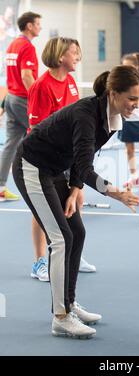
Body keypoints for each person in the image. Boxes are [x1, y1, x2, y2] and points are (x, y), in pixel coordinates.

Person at [12, 65, 139, 339]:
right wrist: (116, 193)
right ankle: (60, 317)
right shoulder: (86, 115)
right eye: (132, 98)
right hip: (32, 165)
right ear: (113, 93)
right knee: (61, 239)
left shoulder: (112, 119)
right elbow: (84, 166)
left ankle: (69, 304)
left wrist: (74, 191)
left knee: (77, 233)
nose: (137, 104)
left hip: (56, 168)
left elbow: (83, 158)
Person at [27, 37, 95, 282]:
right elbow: (35, 126)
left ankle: (75, 253)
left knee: (77, 199)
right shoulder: (41, 86)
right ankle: (39, 262)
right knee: (42, 209)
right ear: (60, 57)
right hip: (43, 158)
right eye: (74, 52)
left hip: (67, 155)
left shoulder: (72, 82)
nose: (78, 57)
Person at [0, 11, 41, 202]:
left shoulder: (12, 44)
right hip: (22, 100)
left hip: (11, 98)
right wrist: (37, 99)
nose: (40, 27)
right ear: (30, 26)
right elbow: (26, 76)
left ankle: (0, 187)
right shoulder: (27, 46)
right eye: (38, 24)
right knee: (44, 137)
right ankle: (48, 183)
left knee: (10, 144)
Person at [121, 52, 139, 187]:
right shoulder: (122, 83)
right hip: (126, 121)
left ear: (137, 67)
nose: (126, 70)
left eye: (129, 67)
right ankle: (133, 176)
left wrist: (134, 100)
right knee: (129, 150)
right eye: (124, 67)